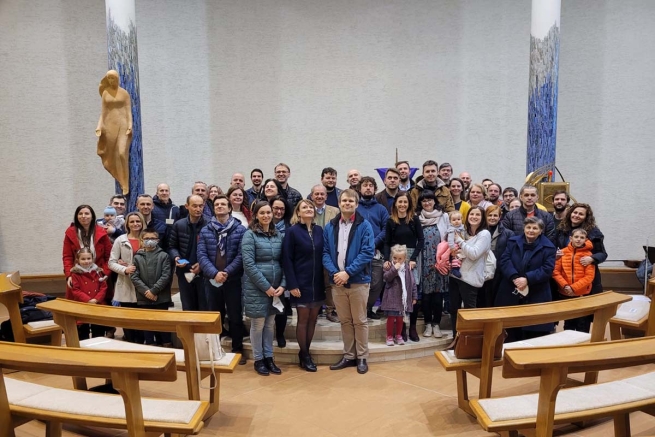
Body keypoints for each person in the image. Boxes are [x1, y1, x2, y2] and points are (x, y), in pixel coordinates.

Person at [323, 189, 375, 375]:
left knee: (360, 321)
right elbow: (326, 253)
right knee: (345, 321)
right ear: (339, 203)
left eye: (350, 201)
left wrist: (348, 272)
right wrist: (336, 273)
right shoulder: (330, 226)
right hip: (337, 282)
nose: (347, 203)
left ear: (356, 204)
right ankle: (349, 355)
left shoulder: (364, 225)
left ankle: (361, 356)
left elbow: (367, 252)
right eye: (344, 200)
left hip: (358, 281)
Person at [197, 194, 247, 365]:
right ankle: (215, 349)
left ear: (229, 208)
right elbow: (201, 255)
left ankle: (237, 349)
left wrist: (226, 272)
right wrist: (214, 273)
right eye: (217, 204)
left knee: (235, 315)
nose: (219, 207)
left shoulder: (240, 230)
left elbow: (242, 255)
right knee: (215, 315)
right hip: (211, 280)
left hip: (233, 279)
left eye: (223, 204)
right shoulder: (206, 229)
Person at [242, 201, 286, 376]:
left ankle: (269, 357)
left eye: (269, 212)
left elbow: (285, 262)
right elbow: (249, 264)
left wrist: (282, 285)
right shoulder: (249, 235)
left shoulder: (278, 235)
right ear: (256, 215)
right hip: (257, 288)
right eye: (262, 213)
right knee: (258, 325)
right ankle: (259, 358)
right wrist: (266, 287)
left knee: (270, 325)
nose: (266, 215)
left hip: (276, 290)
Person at [495, 217, 556, 341]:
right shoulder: (513, 241)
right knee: (510, 329)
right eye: (528, 227)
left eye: (535, 228)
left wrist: (527, 279)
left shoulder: (549, 247)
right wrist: (515, 277)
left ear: (541, 231)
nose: (531, 230)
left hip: (536, 291)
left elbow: (547, 269)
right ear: (524, 228)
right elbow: (505, 260)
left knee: (533, 332)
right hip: (511, 288)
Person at [282, 199, 326, 372]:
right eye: (304, 207)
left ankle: (305, 352)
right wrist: (292, 284)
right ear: (298, 212)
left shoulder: (319, 230)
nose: (308, 209)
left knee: (314, 319)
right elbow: (287, 259)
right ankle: (305, 354)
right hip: (299, 282)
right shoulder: (292, 232)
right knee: (303, 319)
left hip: (317, 282)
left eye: (310, 207)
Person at [554, 203, 607, 332]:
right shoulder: (562, 228)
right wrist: (556, 254)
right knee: (568, 319)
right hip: (565, 278)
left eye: (581, 214)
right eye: (575, 212)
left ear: (586, 217)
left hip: (585, 278)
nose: (576, 215)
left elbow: (603, 253)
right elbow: (557, 247)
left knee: (584, 319)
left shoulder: (593, 231)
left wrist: (592, 258)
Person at [383, 192, 424, 342]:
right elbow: (386, 242)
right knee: (397, 291)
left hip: (411, 257)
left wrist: (413, 259)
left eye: (405, 202)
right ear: (395, 204)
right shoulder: (390, 221)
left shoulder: (414, 219)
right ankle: (400, 330)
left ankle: (411, 327)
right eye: (400, 202)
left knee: (412, 290)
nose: (402, 205)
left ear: (409, 204)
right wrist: (387, 260)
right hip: (395, 256)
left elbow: (421, 240)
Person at [448, 206, 491, 336]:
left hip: (470, 279)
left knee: (469, 311)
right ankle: (456, 340)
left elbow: (474, 254)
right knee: (454, 310)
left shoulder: (484, 234)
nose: (474, 217)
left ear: (482, 218)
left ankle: (469, 341)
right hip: (455, 276)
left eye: (478, 215)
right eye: (471, 214)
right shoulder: (464, 231)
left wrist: (459, 241)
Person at [131, 227, 173, 347]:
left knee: (163, 325)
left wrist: (154, 291)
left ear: (158, 240)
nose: (150, 240)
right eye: (147, 238)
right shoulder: (137, 257)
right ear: (142, 240)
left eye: (153, 238)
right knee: (147, 326)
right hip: (144, 297)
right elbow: (134, 277)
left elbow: (166, 275)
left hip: (161, 297)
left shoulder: (164, 256)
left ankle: (166, 346)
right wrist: (146, 291)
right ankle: (150, 346)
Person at [109, 211, 146, 343]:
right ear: (127, 224)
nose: (135, 224)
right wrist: (125, 269)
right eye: (132, 222)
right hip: (126, 284)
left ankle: (141, 345)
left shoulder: (148, 239)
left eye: (138, 221)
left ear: (142, 223)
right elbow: (111, 263)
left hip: (144, 285)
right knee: (128, 321)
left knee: (142, 321)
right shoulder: (121, 240)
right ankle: (130, 343)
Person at [416, 190, 448, 338]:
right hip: (424, 262)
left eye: (430, 200)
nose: (427, 203)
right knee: (426, 296)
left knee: (438, 296)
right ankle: (428, 324)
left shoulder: (444, 217)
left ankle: (437, 324)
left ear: (435, 201)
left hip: (440, 262)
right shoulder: (417, 218)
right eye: (424, 201)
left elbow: (450, 236)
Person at [63, 205, 112, 300]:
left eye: (86, 213)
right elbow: (67, 257)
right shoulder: (70, 232)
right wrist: (69, 275)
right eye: (80, 213)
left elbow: (110, 256)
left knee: (99, 305)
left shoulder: (101, 232)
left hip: (98, 275)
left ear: (92, 216)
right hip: (78, 276)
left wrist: (104, 273)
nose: (83, 216)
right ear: (76, 216)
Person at [356, 176, 389, 320]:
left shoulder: (381, 209)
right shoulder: (355, 207)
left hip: (376, 251)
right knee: (359, 282)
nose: (368, 187)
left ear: (375, 189)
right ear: (359, 189)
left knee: (376, 282)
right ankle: (360, 310)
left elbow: (386, 228)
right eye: (365, 185)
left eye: (371, 185)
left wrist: (373, 243)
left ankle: (368, 307)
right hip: (357, 252)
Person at [168, 195, 207, 311]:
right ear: (187, 206)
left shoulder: (209, 225)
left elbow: (214, 250)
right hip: (184, 270)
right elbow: (172, 246)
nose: (198, 209)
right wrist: (176, 257)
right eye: (194, 206)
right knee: (188, 306)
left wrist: (202, 265)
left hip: (203, 272)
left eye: (201, 206)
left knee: (204, 306)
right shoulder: (179, 225)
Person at [96, 70, 132, 194]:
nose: (111, 81)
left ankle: (126, 183)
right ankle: (121, 181)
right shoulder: (106, 93)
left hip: (123, 125)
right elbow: (104, 112)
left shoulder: (124, 93)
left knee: (122, 153)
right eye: (109, 79)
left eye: (113, 78)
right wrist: (99, 126)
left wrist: (130, 125)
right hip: (110, 125)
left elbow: (128, 110)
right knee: (110, 155)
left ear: (117, 79)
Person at [310, 184, 340, 323]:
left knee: (329, 282)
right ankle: (315, 309)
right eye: (316, 194)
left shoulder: (335, 211)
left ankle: (330, 309)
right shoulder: (308, 210)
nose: (319, 196)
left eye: (322, 194)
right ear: (312, 196)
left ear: (326, 196)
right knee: (314, 281)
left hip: (330, 252)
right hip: (312, 253)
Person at [381, 245, 418, 346]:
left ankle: (398, 335)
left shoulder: (407, 268)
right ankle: (389, 336)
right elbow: (386, 278)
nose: (397, 260)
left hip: (403, 298)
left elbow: (412, 282)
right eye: (395, 258)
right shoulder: (388, 266)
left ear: (405, 258)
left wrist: (414, 296)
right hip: (391, 297)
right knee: (391, 317)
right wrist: (394, 269)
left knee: (400, 318)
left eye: (400, 258)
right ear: (391, 257)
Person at [69, 247, 107, 340]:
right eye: (83, 259)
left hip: (97, 304)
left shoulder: (98, 271)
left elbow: (103, 287)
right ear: (78, 260)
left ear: (92, 258)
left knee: (98, 330)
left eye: (88, 258)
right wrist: (88, 300)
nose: (86, 261)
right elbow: (76, 290)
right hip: (83, 305)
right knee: (83, 332)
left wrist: (96, 299)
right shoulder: (75, 274)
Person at [270, 195, 292, 347]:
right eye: (275, 208)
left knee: (281, 307)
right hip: (266, 271)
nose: (278, 211)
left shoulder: (290, 227)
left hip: (283, 270)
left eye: (282, 209)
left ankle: (280, 334)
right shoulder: (262, 225)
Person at [483, 205, 514, 307]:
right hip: (481, 270)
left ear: (500, 217)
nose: (492, 218)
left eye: (495, 215)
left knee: (497, 300)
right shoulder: (479, 232)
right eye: (489, 215)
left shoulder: (509, 234)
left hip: (500, 272)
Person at [553, 229, 596, 301]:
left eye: (582, 237)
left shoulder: (588, 255)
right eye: (576, 237)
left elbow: (589, 276)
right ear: (570, 238)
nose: (579, 239)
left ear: (586, 240)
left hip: (582, 292)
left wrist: (573, 288)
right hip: (564, 291)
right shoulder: (562, 252)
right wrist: (565, 286)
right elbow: (556, 272)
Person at [442, 211, 467, 279]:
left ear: (462, 219)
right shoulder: (452, 230)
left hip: (461, 245)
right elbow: (450, 240)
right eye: (454, 220)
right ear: (450, 221)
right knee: (456, 257)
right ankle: (455, 269)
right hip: (454, 246)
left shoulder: (462, 228)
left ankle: (457, 267)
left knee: (460, 257)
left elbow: (464, 236)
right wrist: (452, 248)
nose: (456, 221)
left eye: (458, 219)